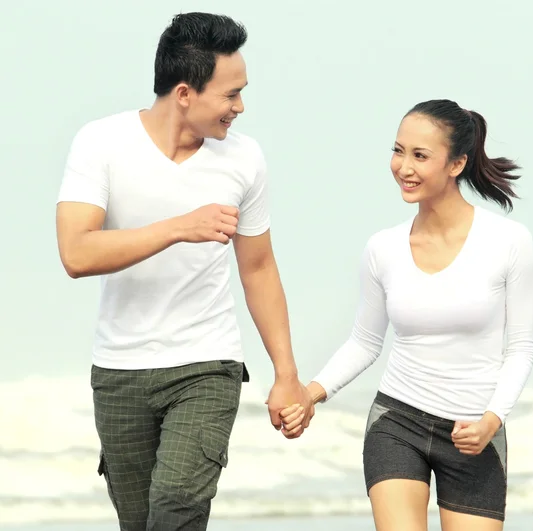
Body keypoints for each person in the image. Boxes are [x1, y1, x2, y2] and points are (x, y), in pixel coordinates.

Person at [55, 12, 313, 531]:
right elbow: (76, 254)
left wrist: (287, 375)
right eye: (230, 94)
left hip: (206, 365)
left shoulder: (244, 158)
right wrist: (177, 227)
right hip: (119, 371)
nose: (240, 107)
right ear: (184, 93)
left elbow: (258, 267)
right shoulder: (101, 143)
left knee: (175, 507)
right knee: (139, 522)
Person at [280, 99, 533, 530]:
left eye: (420, 155)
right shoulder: (383, 248)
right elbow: (365, 341)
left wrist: (492, 419)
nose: (403, 166)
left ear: (456, 163)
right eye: (398, 151)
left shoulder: (509, 242)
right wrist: (311, 393)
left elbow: (521, 348)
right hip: (397, 422)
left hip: (476, 431)